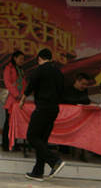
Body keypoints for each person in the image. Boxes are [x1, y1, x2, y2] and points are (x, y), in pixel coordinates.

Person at [19, 48, 66, 181]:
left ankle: (54, 161)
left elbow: (31, 85)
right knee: (42, 140)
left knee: (32, 137)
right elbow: (62, 90)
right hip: (54, 109)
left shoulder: (40, 70)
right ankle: (38, 172)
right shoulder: (58, 72)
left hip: (43, 108)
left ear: (39, 58)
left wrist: (22, 100)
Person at [2, 50, 27, 151]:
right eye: (20, 59)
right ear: (14, 58)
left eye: (23, 59)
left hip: (19, 100)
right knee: (8, 123)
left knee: (16, 123)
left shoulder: (20, 70)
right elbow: (7, 83)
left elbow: (24, 83)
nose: (22, 61)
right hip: (11, 100)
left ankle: (13, 144)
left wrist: (23, 96)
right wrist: (17, 94)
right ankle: (6, 145)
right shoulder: (9, 68)